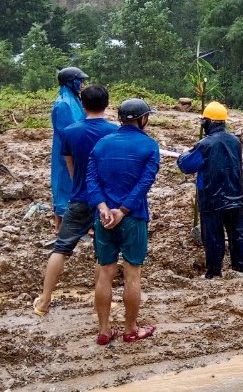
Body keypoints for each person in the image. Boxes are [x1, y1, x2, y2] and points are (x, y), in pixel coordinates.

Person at [33, 84, 118, 316]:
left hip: (80, 196)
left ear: (82, 104)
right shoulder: (114, 131)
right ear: (107, 104)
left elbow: (70, 168)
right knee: (102, 253)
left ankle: (44, 301)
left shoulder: (70, 132)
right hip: (107, 201)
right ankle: (100, 304)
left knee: (61, 248)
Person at [86, 98, 160, 345]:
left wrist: (104, 207)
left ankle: (104, 331)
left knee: (104, 273)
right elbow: (144, 183)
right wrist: (124, 210)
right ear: (143, 118)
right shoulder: (150, 146)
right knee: (132, 274)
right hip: (133, 217)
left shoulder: (101, 145)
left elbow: (91, 180)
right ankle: (130, 329)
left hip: (104, 219)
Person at [177, 101, 243, 279]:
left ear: (208, 122)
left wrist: (183, 154)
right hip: (235, 196)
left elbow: (187, 165)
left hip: (212, 198)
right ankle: (242, 269)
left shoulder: (205, 145)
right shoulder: (235, 141)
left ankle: (214, 272)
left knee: (213, 237)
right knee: (238, 234)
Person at [51, 67, 88, 230]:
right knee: (65, 182)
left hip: (76, 149)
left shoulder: (75, 100)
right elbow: (68, 131)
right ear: (71, 82)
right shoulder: (64, 104)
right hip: (67, 152)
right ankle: (61, 225)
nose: (83, 84)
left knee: (74, 182)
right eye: (80, 81)